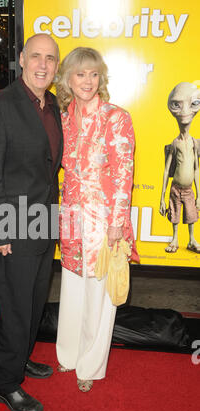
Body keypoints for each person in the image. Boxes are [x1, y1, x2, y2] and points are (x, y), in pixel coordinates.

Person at [0, 33, 62, 411]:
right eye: (37, 57)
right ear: (22, 59)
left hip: (46, 219)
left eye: (51, 59)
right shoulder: (2, 106)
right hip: (14, 223)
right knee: (14, 306)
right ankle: (5, 382)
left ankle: (21, 359)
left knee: (35, 300)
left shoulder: (52, 104)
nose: (43, 65)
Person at [55, 47, 139, 392]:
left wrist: (117, 222)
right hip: (71, 215)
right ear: (67, 79)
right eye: (80, 74)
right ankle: (68, 354)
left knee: (99, 294)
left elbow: (124, 174)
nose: (88, 81)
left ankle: (89, 365)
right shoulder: (62, 118)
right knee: (73, 287)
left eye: (94, 74)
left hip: (104, 219)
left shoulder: (116, 118)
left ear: (101, 78)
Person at [159, 82, 200, 253]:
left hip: (189, 189)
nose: (184, 112)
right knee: (174, 214)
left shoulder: (194, 143)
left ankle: (191, 239)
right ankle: (174, 239)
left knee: (191, 215)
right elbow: (166, 170)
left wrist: (199, 194)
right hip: (175, 188)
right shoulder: (175, 144)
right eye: (177, 104)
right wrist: (161, 197)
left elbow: (196, 168)